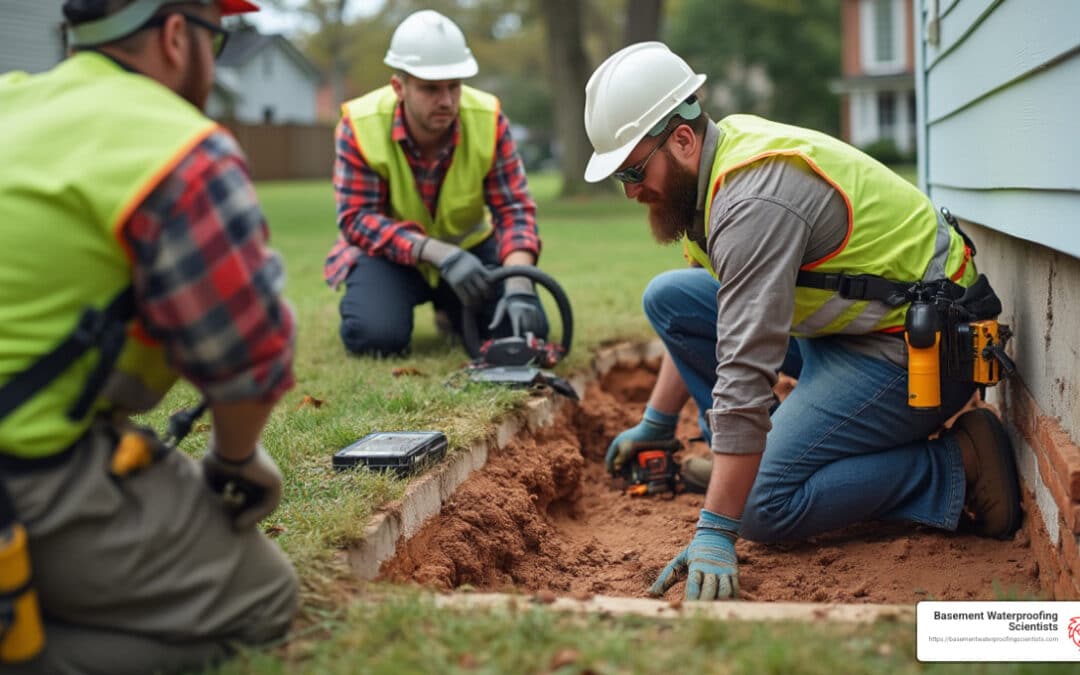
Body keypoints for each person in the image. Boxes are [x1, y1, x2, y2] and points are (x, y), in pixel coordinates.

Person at [583, 42, 1022, 601]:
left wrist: (719, 528)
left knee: (762, 510)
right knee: (671, 297)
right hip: (851, 333)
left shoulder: (750, 202)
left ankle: (956, 464)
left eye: (634, 170)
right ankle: (749, 460)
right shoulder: (712, 177)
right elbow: (720, 314)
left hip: (917, 351)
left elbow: (744, 366)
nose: (630, 192)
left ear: (684, 140)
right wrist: (657, 422)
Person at [0, 1, 298, 672]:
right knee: (263, 597)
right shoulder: (180, 148)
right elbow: (250, 355)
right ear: (174, 35)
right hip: (33, 473)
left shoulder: (10, 103)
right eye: (215, 40)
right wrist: (236, 457)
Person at [324, 9, 547, 356]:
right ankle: (444, 307)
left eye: (454, 87)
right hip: (392, 258)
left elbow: (513, 209)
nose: (446, 101)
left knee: (522, 330)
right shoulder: (361, 124)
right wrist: (438, 253)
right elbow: (357, 219)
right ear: (399, 87)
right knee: (375, 338)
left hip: (472, 254)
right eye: (430, 89)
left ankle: (454, 310)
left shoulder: (488, 119)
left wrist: (518, 282)